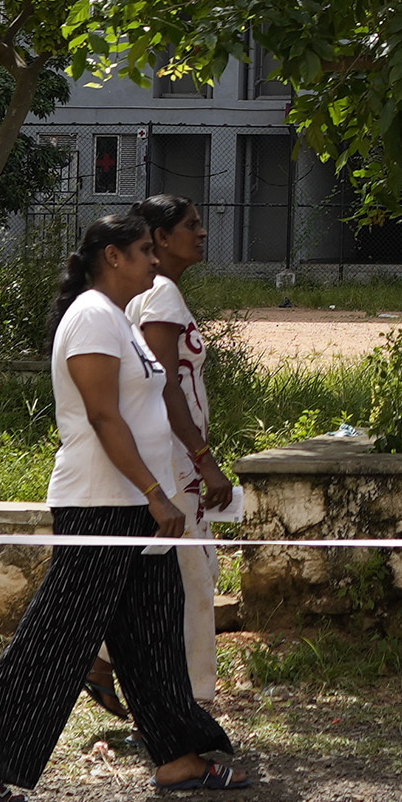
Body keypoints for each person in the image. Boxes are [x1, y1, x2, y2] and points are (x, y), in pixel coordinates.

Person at [0, 213, 243, 802]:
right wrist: (156, 493)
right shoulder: (93, 317)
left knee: (153, 627)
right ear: (110, 256)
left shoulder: (121, 321)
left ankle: (179, 758)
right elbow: (104, 418)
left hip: (137, 507)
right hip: (102, 505)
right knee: (59, 636)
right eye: (144, 251)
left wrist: (157, 498)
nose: (156, 262)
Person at [127, 190, 239, 712]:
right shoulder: (163, 295)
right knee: (195, 575)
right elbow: (165, 385)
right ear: (161, 239)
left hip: (165, 457)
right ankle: (192, 702)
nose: (202, 232)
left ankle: (109, 662)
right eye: (191, 224)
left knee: (171, 570)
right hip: (174, 461)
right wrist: (204, 460)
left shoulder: (149, 293)